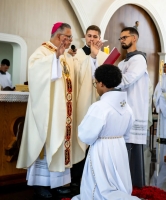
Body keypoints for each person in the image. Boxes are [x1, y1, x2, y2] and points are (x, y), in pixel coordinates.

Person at [16, 22, 80, 198]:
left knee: (59, 143)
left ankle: (58, 182)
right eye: (68, 37)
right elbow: (36, 74)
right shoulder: (42, 52)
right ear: (60, 37)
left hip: (63, 112)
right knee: (46, 140)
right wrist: (55, 59)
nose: (69, 41)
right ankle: (40, 183)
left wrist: (63, 57)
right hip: (48, 112)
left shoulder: (65, 55)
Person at [72, 64, 140, 200]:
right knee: (117, 181)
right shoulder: (127, 107)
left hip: (101, 149)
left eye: (95, 83)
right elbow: (127, 133)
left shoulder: (99, 107)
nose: (96, 86)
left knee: (99, 186)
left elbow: (86, 135)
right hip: (120, 148)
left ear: (102, 84)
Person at [70, 25, 108, 189]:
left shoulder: (105, 56)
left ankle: (95, 177)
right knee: (80, 140)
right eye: (89, 36)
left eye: (95, 36)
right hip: (82, 103)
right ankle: (75, 178)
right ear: (85, 36)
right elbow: (75, 76)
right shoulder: (76, 54)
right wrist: (91, 57)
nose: (92, 39)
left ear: (100, 38)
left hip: (99, 103)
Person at [116, 27, 149, 188]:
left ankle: (134, 184)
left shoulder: (139, 60)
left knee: (132, 146)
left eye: (125, 37)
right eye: (120, 38)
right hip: (122, 108)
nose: (122, 40)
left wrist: (109, 81)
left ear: (134, 38)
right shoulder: (123, 62)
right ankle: (122, 182)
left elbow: (128, 79)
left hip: (134, 109)